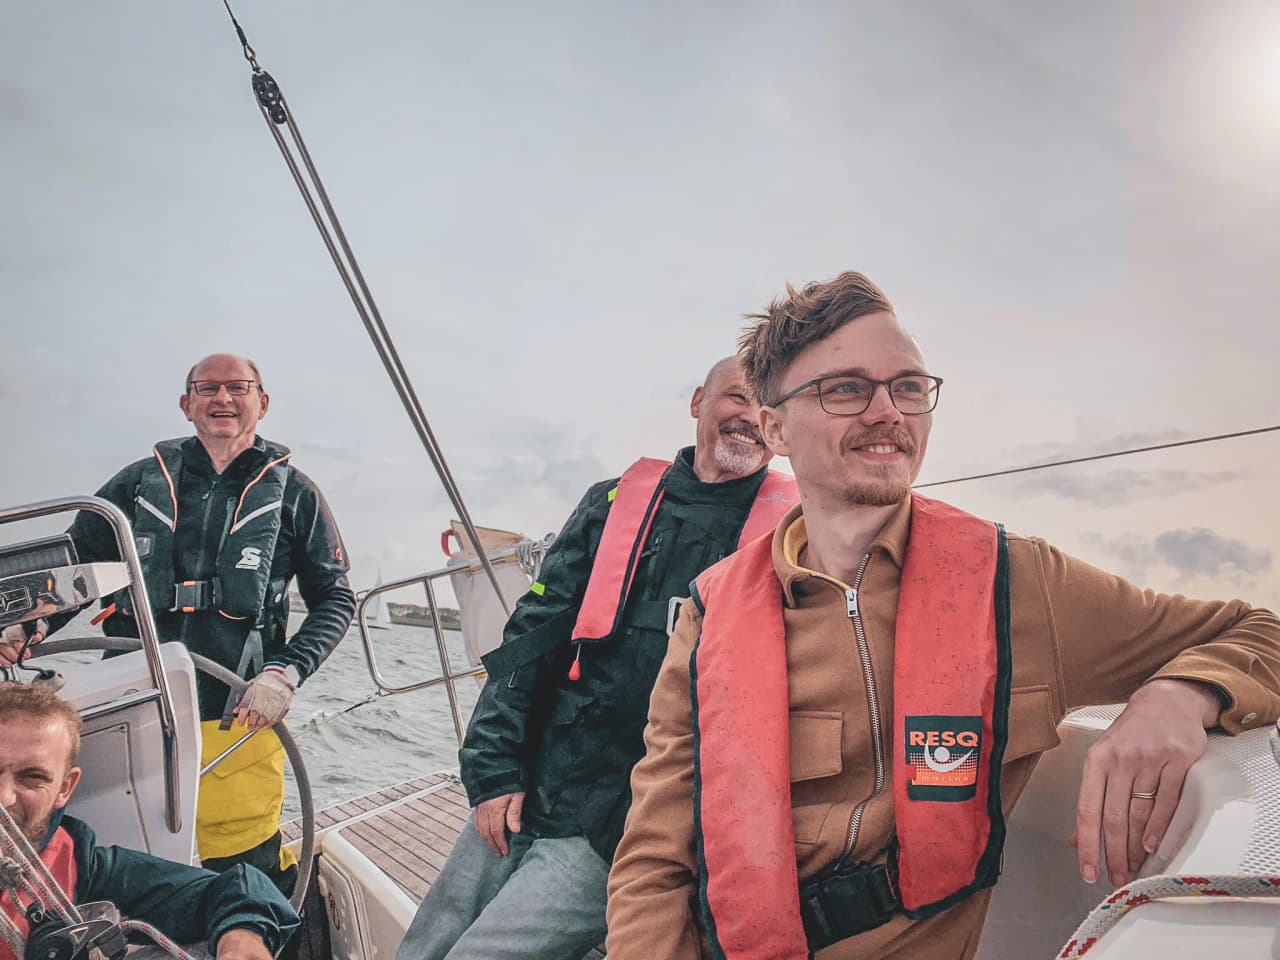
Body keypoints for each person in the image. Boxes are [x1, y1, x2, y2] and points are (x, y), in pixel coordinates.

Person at [605, 272, 1280, 960]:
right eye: (845, 388)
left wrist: (1179, 694)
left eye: (907, 387)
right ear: (775, 426)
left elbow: (1260, 630)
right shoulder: (711, 612)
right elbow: (656, 858)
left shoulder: (1017, 580)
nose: (886, 412)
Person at [395, 357, 799, 960]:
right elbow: (533, 636)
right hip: (536, 776)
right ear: (697, 402)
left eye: (764, 406)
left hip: (631, 818)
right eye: (736, 397)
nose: (747, 418)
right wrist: (494, 768)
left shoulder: (791, 536)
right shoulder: (613, 503)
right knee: (427, 943)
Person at [1, 354, 356, 894]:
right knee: (119, 860)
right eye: (206, 388)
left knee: (242, 871)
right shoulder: (137, 483)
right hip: (131, 704)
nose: (222, 399)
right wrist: (29, 630)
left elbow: (335, 599)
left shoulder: (296, 494)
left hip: (240, 715)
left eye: (238, 387)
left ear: (262, 402)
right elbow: (78, 575)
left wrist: (285, 673)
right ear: (186, 404)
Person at [0, 681, 299, 960]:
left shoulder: (80, 866)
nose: (5, 798)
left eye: (33, 778)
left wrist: (241, 938)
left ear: (64, 788)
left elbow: (229, 890)